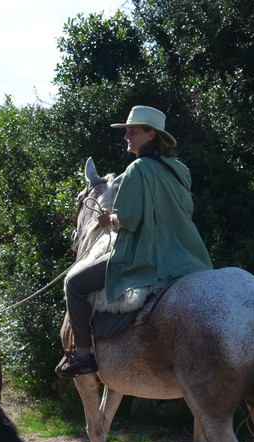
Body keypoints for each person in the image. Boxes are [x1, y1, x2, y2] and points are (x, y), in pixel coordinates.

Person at [56, 105, 213, 378]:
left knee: (74, 282)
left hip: (146, 253)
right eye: (126, 131)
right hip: (187, 254)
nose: (127, 136)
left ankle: (83, 356)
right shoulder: (180, 170)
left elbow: (129, 218)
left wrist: (109, 220)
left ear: (152, 134)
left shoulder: (137, 169)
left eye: (133, 131)